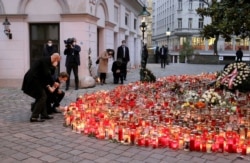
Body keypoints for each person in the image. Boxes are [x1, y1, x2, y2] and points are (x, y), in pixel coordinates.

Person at [22, 53, 61, 122]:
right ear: (55, 59)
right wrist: (53, 82)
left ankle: (44, 114)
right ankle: (34, 117)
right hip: (32, 80)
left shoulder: (47, 61)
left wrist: (50, 84)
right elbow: (47, 74)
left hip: (37, 81)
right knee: (42, 96)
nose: (57, 63)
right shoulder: (45, 61)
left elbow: (47, 75)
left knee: (42, 96)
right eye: (57, 61)